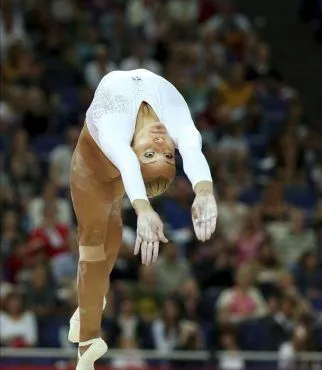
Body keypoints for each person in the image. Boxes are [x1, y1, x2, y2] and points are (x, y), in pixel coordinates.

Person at [68, 68, 218, 369]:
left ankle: (85, 343)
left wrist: (150, 208)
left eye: (151, 153)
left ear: (137, 152)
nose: (163, 145)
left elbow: (129, 162)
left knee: (95, 249)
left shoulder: (117, 128)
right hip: (98, 171)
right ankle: (89, 334)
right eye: (168, 155)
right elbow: (189, 148)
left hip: (99, 173)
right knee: (98, 249)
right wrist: (200, 193)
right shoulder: (171, 115)